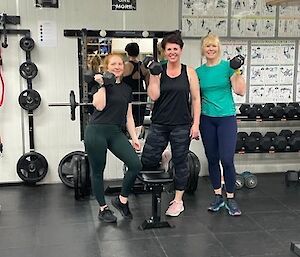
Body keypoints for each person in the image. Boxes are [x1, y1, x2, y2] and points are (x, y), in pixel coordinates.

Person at [141, 31, 201, 217]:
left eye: (176, 48)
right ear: (164, 51)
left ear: (181, 50)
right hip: (159, 123)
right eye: (169, 49)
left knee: (181, 161)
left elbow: (197, 99)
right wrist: (153, 75)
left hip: (182, 124)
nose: (172, 52)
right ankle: (163, 158)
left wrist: (195, 124)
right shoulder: (158, 70)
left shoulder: (189, 72)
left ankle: (178, 201)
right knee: (148, 159)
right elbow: (153, 96)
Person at [84, 53, 142, 223]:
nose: (117, 67)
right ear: (106, 68)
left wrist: (134, 138)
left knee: (135, 164)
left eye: (120, 64)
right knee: (98, 171)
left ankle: (122, 200)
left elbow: (129, 116)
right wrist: (103, 84)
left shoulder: (126, 89)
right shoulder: (97, 85)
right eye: (113, 64)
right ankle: (103, 209)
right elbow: (100, 105)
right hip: (96, 132)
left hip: (115, 132)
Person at [195, 33, 246, 216]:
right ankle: (218, 196)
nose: (210, 49)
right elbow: (195, 98)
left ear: (218, 48)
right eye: (207, 46)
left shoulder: (227, 68)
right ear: (203, 49)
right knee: (213, 158)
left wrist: (237, 70)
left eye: (214, 46)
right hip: (207, 119)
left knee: (227, 159)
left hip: (226, 119)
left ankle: (230, 198)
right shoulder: (198, 72)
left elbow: (240, 91)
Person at [123, 42, 150, 138]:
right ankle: (137, 138)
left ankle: (131, 138)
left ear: (127, 53)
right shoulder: (143, 67)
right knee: (139, 121)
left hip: (128, 96)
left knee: (128, 119)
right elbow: (148, 84)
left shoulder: (125, 66)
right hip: (141, 95)